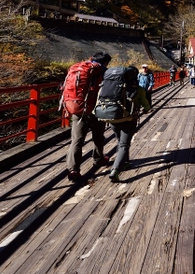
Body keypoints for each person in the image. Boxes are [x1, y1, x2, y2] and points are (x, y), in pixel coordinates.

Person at [65, 52, 111, 182]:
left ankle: (73, 169)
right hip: (95, 110)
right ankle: (98, 159)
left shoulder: (78, 69)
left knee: (76, 141)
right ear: (106, 62)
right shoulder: (103, 71)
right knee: (98, 137)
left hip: (78, 108)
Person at [108, 66, 151, 183]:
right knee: (124, 144)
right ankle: (115, 170)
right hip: (128, 120)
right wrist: (146, 109)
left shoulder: (112, 87)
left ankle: (125, 162)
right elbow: (146, 106)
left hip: (112, 118)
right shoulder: (137, 88)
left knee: (120, 141)